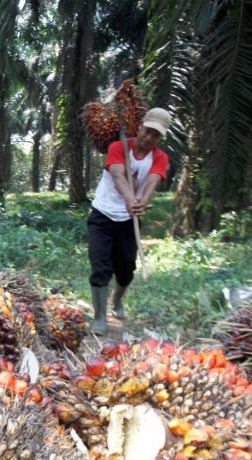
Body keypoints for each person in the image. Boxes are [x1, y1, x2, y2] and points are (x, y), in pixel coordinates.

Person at [87, 107, 170, 334]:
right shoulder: (118, 147)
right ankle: (100, 318)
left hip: (127, 221)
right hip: (102, 215)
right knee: (100, 266)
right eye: (147, 130)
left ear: (160, 137)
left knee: (126, 269)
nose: (149, 137)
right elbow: (117, 175)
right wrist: (129, 198)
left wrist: (142, 201)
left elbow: (152, 181)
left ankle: (118, 299)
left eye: (156, 135)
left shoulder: (160, 158)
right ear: (140, 126)